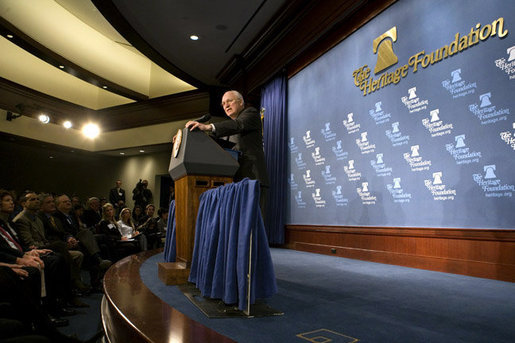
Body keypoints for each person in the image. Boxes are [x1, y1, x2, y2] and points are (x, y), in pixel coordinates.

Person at [185, 90, 269, 215]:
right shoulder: (228, 129)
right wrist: (188, 136)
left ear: (241, 102)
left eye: (229, 101)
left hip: (252, 178)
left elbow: (238, 125)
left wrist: (208, 127)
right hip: (234, 182)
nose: (226, 105)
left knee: (252, 226)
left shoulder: (250, 113)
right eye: (223, 103)